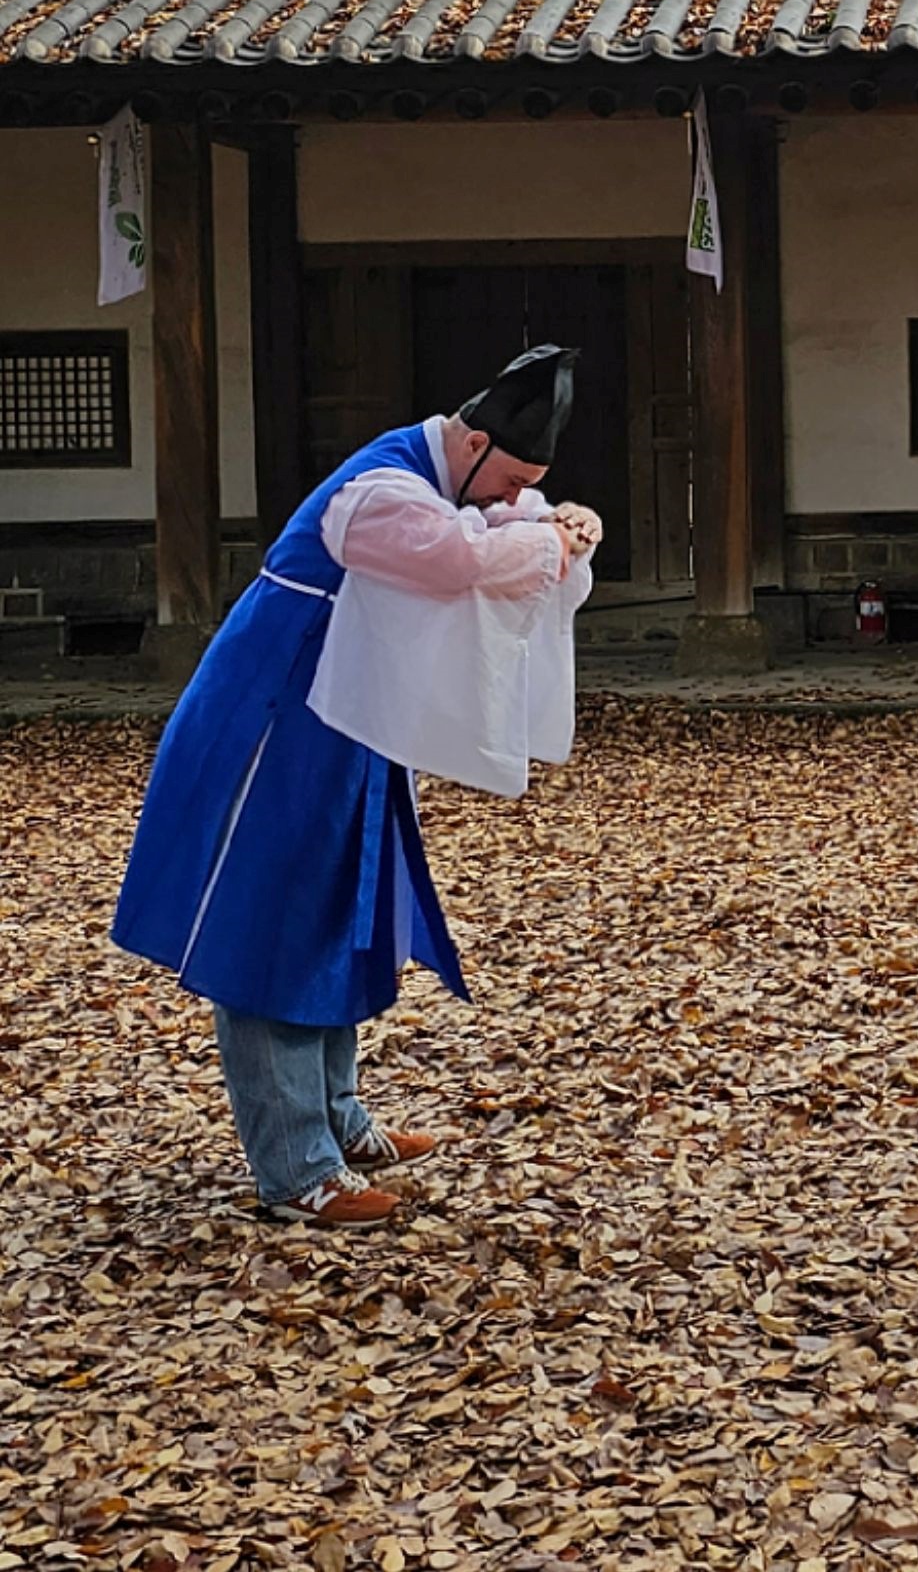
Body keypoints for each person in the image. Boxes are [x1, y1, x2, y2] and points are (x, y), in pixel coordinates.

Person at [111, 346, 602, 1225]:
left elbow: (492, 530)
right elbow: (458, 557)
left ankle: (337, 1119)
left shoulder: (437, 481)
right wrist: (547, 537)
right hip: (270, 725)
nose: (509, 497)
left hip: (335, 728)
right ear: (476, 442)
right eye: (510, 478)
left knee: (336, 907)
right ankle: (296, 1165)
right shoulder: (378, 492)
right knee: (271, 930)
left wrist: (544, 524)